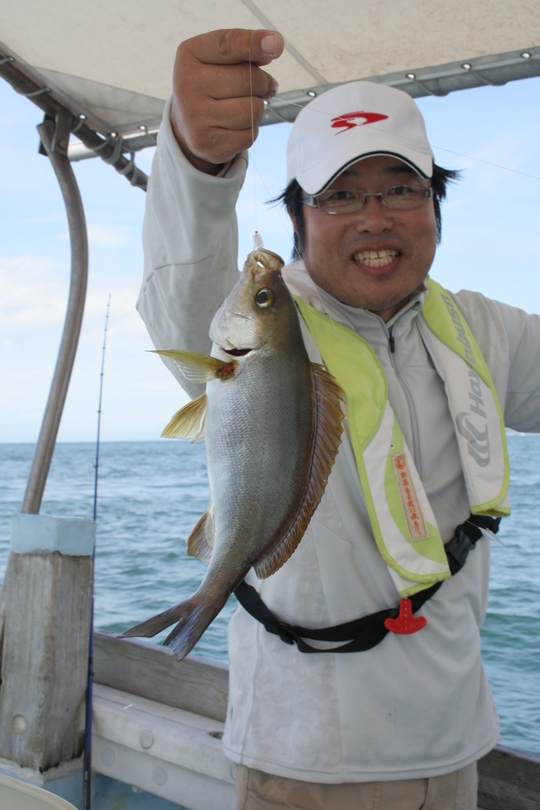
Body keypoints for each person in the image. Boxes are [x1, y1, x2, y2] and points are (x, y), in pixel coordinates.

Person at [137, 29, 540, 810]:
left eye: (402, 188)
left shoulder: (487, 332)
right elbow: (185, 300)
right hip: (304, 765)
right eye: (340, 195)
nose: (374, 217)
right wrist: (197, 164)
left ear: (435, 201)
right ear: (298, 217)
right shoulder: (264, 324)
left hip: (458, 749)